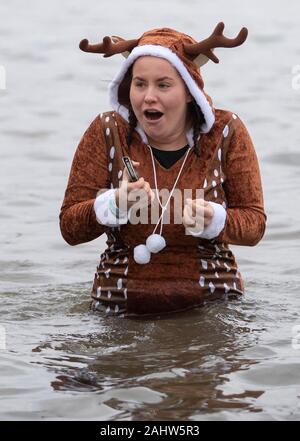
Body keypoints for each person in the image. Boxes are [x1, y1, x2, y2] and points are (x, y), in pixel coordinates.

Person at [59, 24, 266, 317]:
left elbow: (255, 225)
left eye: (163, 85)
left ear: (190, 92)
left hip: (212, 307)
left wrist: (215, 220)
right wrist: (113, 205)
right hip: (118, 308)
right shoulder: (108, 132)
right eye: (140, 84)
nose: (148, 96)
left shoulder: (226, 131)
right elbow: (69, 228)